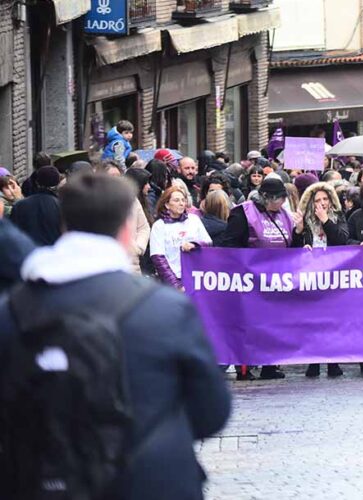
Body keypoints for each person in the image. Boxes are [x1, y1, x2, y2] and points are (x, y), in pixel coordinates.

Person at [0, 173, 231, 499]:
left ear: (64, 225)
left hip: (44, 481)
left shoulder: (10, 311)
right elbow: (211, 412)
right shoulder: (167, 309)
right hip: (150, 482)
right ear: (126, 230)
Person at [220, 178, 302, 380]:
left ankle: (269, 365)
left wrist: (299, 232)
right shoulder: (243, 213)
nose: (282, 204)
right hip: (249, 279)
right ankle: (244, 368)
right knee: (247, 325)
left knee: (273, 325)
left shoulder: (284, 215)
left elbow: (292, 248)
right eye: (280, 200)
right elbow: (229, 245)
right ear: (267, 198)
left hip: (276, 280)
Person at [292, 181, 351, 378]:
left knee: (332, 322)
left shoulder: (338, 217)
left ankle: (333, 361)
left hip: (333, 276)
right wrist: (299, 233)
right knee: (312, 321)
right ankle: (313, 361)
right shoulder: (305, 221)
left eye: (325, 199)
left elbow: (342, 239)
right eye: (317, 200)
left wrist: (326, 220)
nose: (322, 203)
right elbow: (291, 248)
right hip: (310, 277)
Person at [149, 186, 212, 290]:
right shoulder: (159, 226)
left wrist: (194, 244)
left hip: (196, 276)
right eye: (176, 200)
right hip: (173, 280)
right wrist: (176, 285)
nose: (181, 203)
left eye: (183, 200)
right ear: (167, 204)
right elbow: (158, 258)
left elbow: (209, 243)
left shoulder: (194, 220)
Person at [10, 165, 62, 246]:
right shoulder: (61, 207)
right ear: (58, 182)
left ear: (37, 182)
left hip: (28, 253)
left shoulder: (20, 206)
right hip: (53, 253)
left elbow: (13, 233)